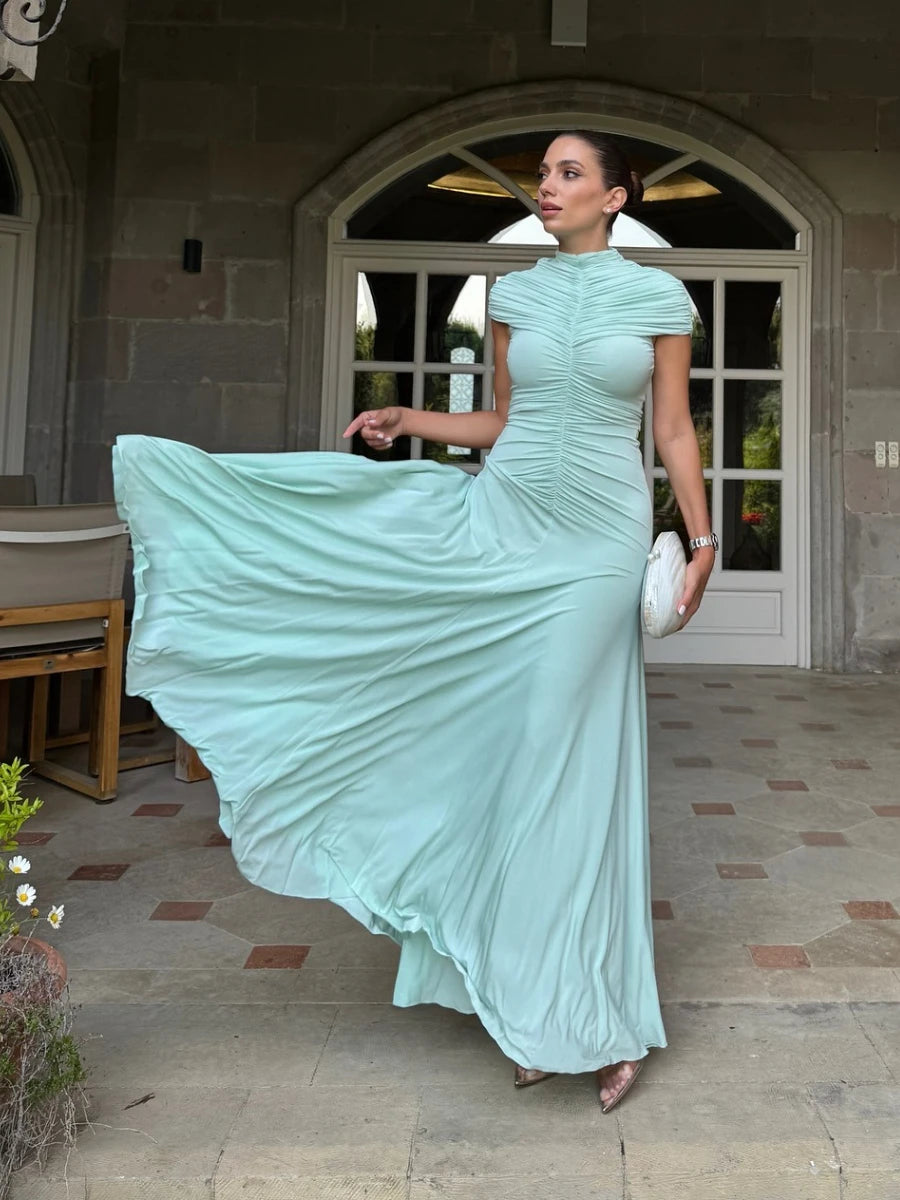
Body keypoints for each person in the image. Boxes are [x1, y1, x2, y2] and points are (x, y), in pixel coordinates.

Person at [112, 130, 714, 1115]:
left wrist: (701, 542)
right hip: (507, 521)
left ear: (616, 196)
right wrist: (415, 423)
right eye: (544, 173)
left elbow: (676, 431)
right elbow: (502, 422)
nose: (547, 186)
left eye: (570, 174)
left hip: (598, 545)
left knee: (568, 765)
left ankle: (588, 1012)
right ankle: (532, 999)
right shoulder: (514, 294)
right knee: (519, 764)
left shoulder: (657, 300)